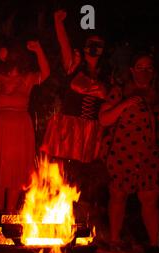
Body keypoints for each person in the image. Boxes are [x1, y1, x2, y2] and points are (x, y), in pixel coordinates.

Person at [41, 9, 109, 207]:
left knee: (84, 175)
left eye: (99, 45)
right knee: (62, 171)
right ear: (85, 47)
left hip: (91, 130)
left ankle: (79, 214)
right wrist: (58, 23)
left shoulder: (107, 75)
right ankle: (53, 209)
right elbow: (64, 46)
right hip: (68, 127)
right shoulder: (74, 65)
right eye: (91, 44)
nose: (94, 48)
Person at [99, 54, 159, 250]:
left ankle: (154, 245)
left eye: (148, 68)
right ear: (132, 70)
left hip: (151, 156)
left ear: (153, 72)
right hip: (122, 153)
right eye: (140, 67)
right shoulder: (119, 92)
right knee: (118, 195)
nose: (144, 72)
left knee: (149, 200)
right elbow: (104, 119)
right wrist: (125, 104)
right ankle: (114, 240)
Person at [0, 41, 50, 214]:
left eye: (5, 54)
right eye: (0, 55)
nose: (2, 56)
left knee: (15, 168)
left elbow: (46, 73)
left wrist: (39, 50)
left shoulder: (27, 79)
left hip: (20, 129)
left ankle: (10, 210)